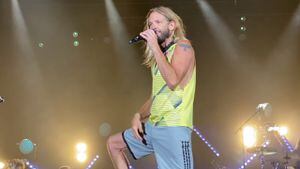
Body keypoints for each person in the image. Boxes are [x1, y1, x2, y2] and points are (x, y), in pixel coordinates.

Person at [107, 6, 196, 169]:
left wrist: (154, 46)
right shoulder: (158, 59)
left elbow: (173, 80)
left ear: (171, 25)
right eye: (150, 24)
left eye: (158, 22)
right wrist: (138, 115)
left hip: (173, 127)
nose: (153, 26)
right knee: (114, 144)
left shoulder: (184, 47)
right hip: (153, 126)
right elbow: (156, 97)